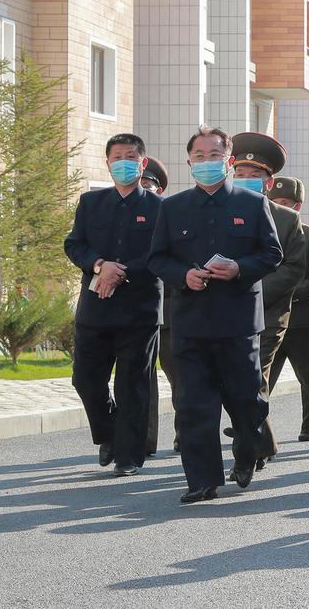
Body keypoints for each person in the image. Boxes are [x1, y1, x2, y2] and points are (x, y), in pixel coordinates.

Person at [147, 126, 282, 504]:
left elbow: (272, 255)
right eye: (200, 156)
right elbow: (157, 258)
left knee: (246, 402)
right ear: (190, 160)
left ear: (229, 159)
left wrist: (239, 268)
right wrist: (183, 275)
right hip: (190, 323)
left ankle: (246, 454)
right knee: (193, 404)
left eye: (214, 155)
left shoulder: (252, 205)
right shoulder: (172, 208)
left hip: (238, 323)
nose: (207, 162)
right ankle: (202, 480)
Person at [63, 133, 164, 477]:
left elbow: (161, 255)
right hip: (95, 307)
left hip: (140, 310)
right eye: (117, 156)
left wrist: (120, 272)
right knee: (85, 379)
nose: (124, 161)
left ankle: (129, 455)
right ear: (107, 163)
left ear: (142, 162)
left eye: (131, 156)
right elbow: (74, 244)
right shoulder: (90, 203)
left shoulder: (160, 208)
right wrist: (98, 265)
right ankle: (108, 432)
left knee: (132, 384)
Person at [228, 133, 306, 471]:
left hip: (269, 315)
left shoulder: (286, 219)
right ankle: (264, 441)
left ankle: (244, 455)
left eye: (254, 175)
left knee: (251, 379)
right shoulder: (219, 212)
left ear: (269, 182)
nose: (245, 181)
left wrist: (252, 288)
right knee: (237, 382)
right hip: (223, 314)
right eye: (240, 174)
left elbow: (293, 268)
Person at [266, 177, 309, 442]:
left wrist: (288, 293)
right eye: (275, 202)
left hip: (304, 318)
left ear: (298, 205)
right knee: (262, 378)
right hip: (270, 317)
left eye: (286, 204)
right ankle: (254, 423)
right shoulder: (264, 232)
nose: (280, 207)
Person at [141, 157, 171, 456]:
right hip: (139, 309)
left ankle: (183, 432)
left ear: (159, 190)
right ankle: (145, 439)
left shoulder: (171, 214)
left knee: (182, 380)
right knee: (144, 377)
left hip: (173, 310)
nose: (143, 190)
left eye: (148, 186)